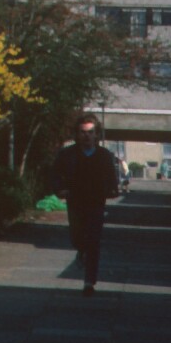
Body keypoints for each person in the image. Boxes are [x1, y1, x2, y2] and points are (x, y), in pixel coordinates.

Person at [48, 115, 122, 293]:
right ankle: (81, 250)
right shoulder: (67, 154)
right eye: (83, 132)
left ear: (96, 134)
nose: (86, 136)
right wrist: (59, 190)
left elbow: (112, 178)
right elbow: (55, 175)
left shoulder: (104, 155)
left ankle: (89, 282)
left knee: (94, 240)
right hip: (75, 201)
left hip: (96, 202)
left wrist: (112, 190)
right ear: (77, 134)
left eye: (90, 132)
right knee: (77, 237)